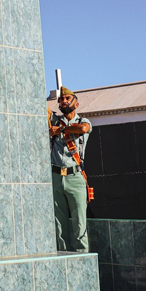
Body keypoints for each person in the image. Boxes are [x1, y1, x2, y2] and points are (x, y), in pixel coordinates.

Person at [49, 86, 91, 253]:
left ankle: (82, 255)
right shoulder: (55, 120)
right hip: (56, 176)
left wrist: (61, 130)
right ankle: (63, 254)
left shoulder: (83, 122)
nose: (63, 101)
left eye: (67, 99)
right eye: (61, 100)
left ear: (76, 104)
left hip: (75, 176)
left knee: (79, 221)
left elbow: (83, 130)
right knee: (59, 223)